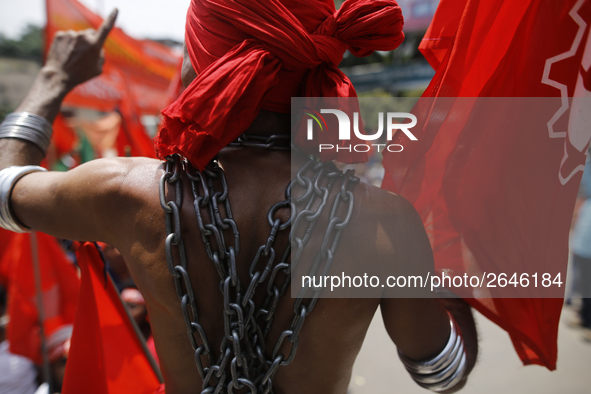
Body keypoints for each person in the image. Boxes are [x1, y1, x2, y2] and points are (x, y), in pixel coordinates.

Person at [0, 1, 477, 393]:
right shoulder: (385, 222)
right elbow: (442, 373)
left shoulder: (126, 192)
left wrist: (54, 79)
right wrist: (450, 282)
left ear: (201, 65)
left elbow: (6, 188)